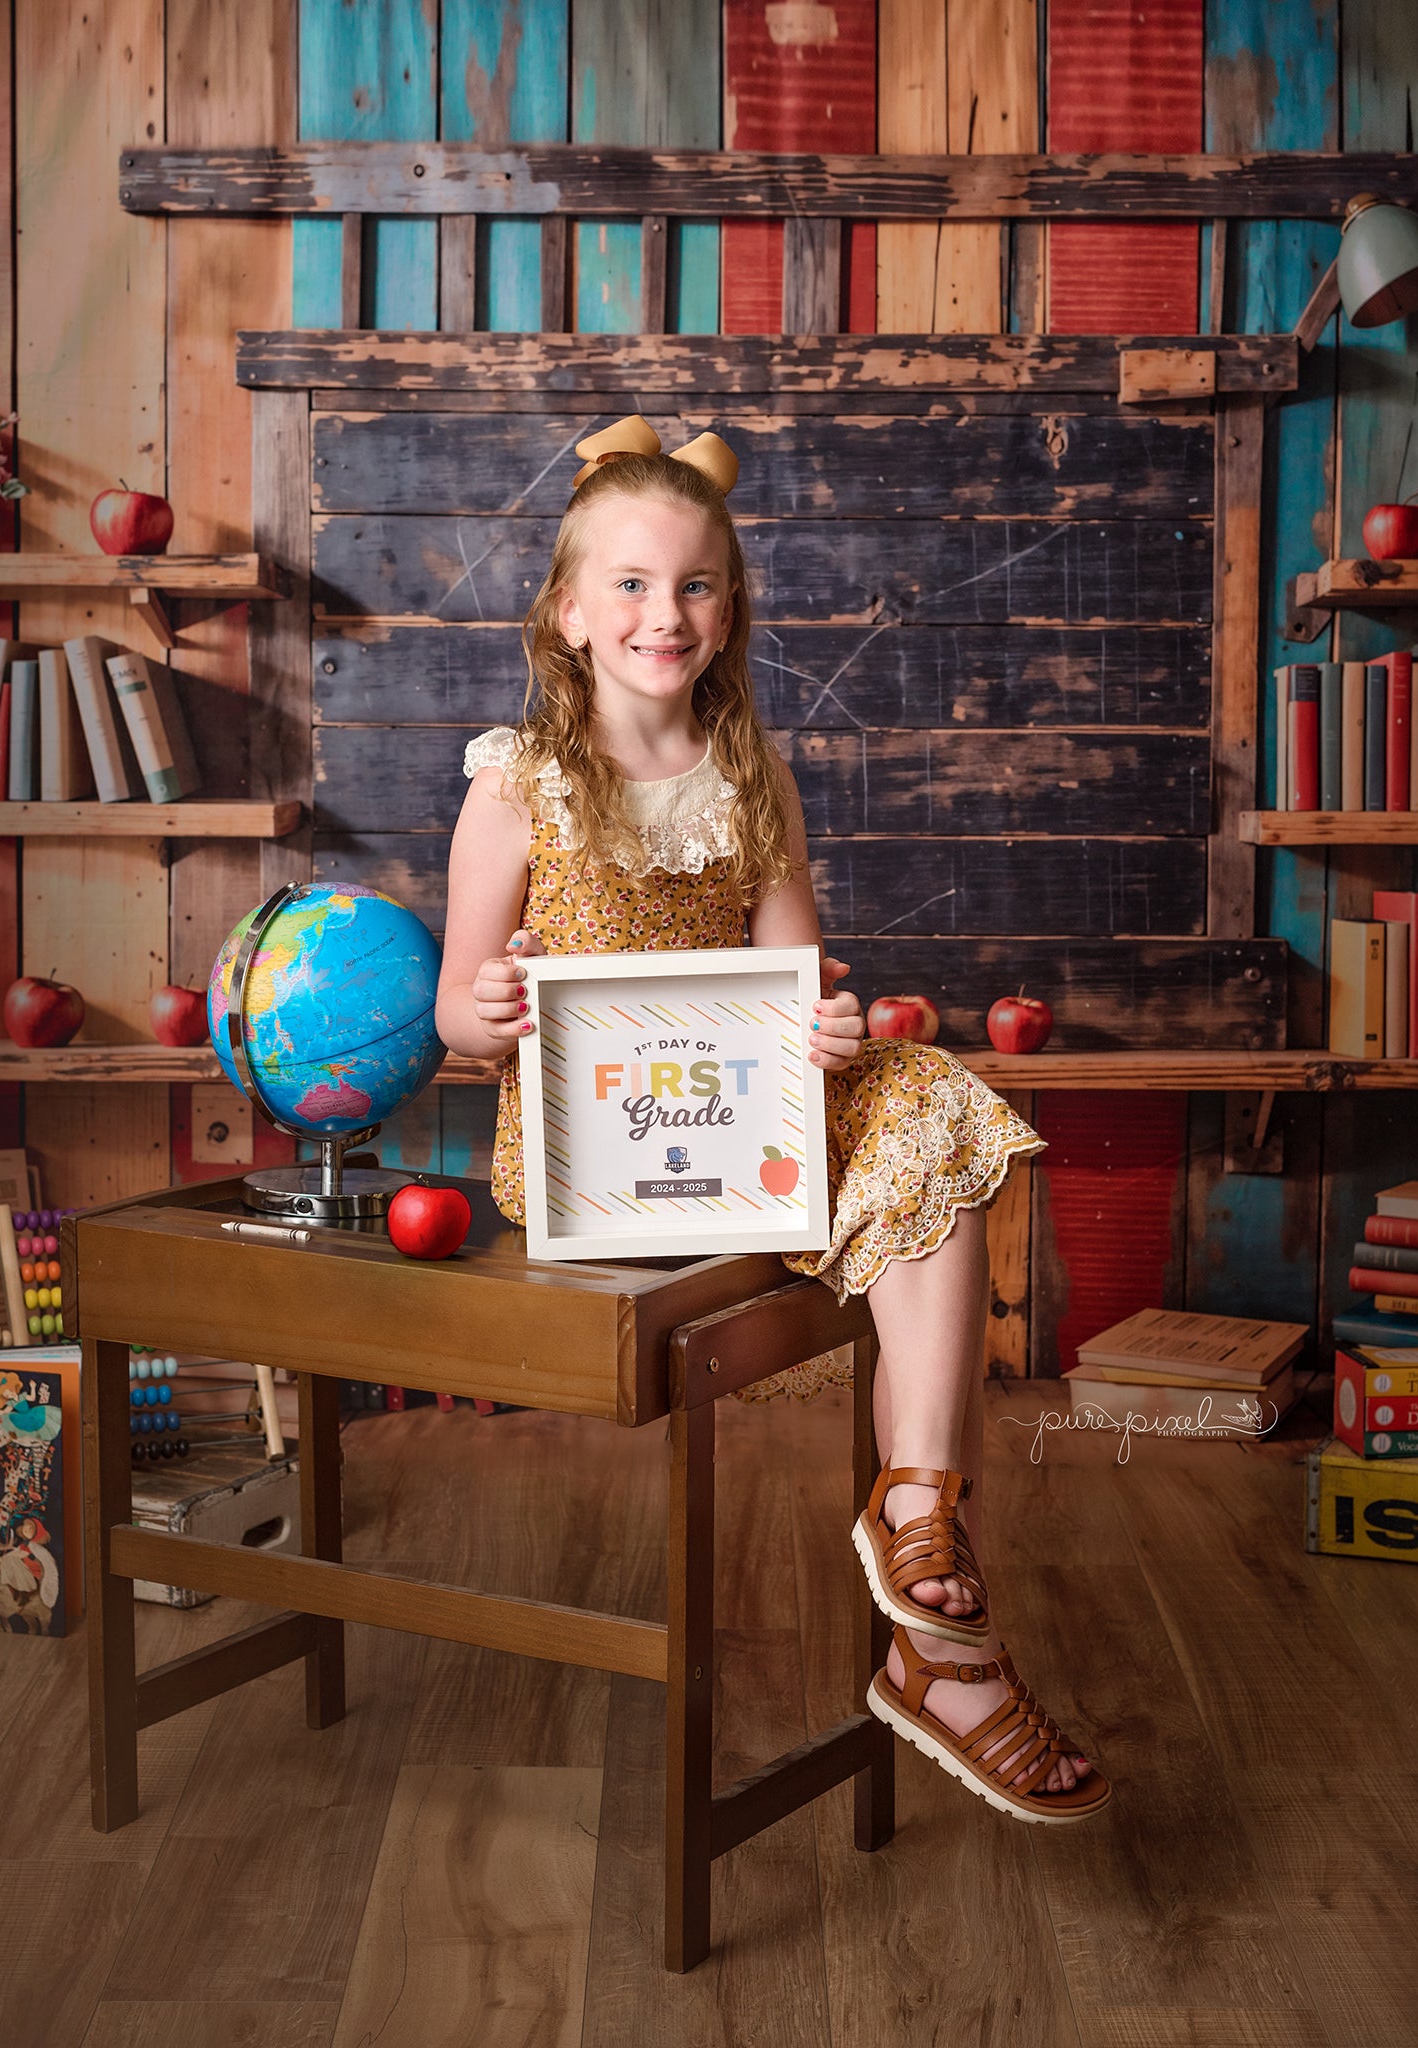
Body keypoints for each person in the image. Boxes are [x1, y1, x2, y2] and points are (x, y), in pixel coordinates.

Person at [435, 416, 1109, 1822]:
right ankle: (947, 1666)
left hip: (740, 1122)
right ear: (566, 614)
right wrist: (484, 1010)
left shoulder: (752, 780)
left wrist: (830, 1035)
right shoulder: (515, 785)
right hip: (592, 1153)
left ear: (727, 611)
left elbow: (801, 994)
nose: (658, 613)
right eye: (625, 584)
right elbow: (453, 1007)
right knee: (912, 1157)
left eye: (689, 586)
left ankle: (916, 1508)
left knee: (932, 1103)